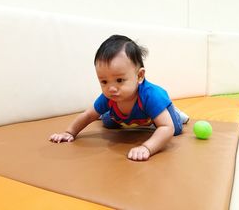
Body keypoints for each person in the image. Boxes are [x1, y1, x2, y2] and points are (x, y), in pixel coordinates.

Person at [49, 35, 189, 161]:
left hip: (152, 110)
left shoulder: (150, 95)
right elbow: (88, 115)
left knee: (175, 129)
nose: (111, 88)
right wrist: (69, 132)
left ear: (139, 76)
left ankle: (171, 111)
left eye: (120, 80)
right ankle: (119, 114)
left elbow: (167, 128)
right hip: (127, 116)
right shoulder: (109, 96)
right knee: (108, 122)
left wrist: (147, 147)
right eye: (104, 81)